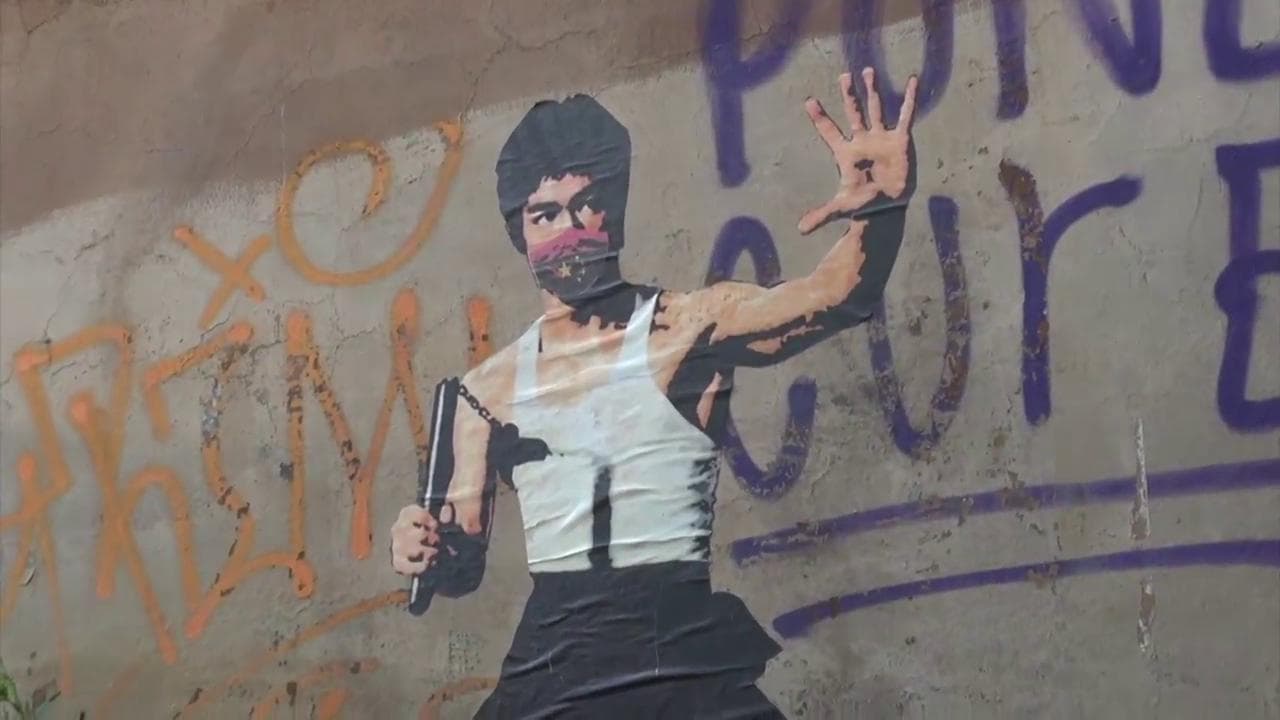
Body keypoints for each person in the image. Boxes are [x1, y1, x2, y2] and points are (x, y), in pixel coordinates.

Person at [391, 68, 920, 718]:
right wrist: (417, 545)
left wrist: (879, 211)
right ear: (518, 230)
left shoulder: (687, 327)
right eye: (545, 214)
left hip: (676, 653)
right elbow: (458, 563)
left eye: (587, 203)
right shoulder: (485, 390)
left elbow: (831, 299)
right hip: (555, 668)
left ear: (615, 207)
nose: (570, 229)